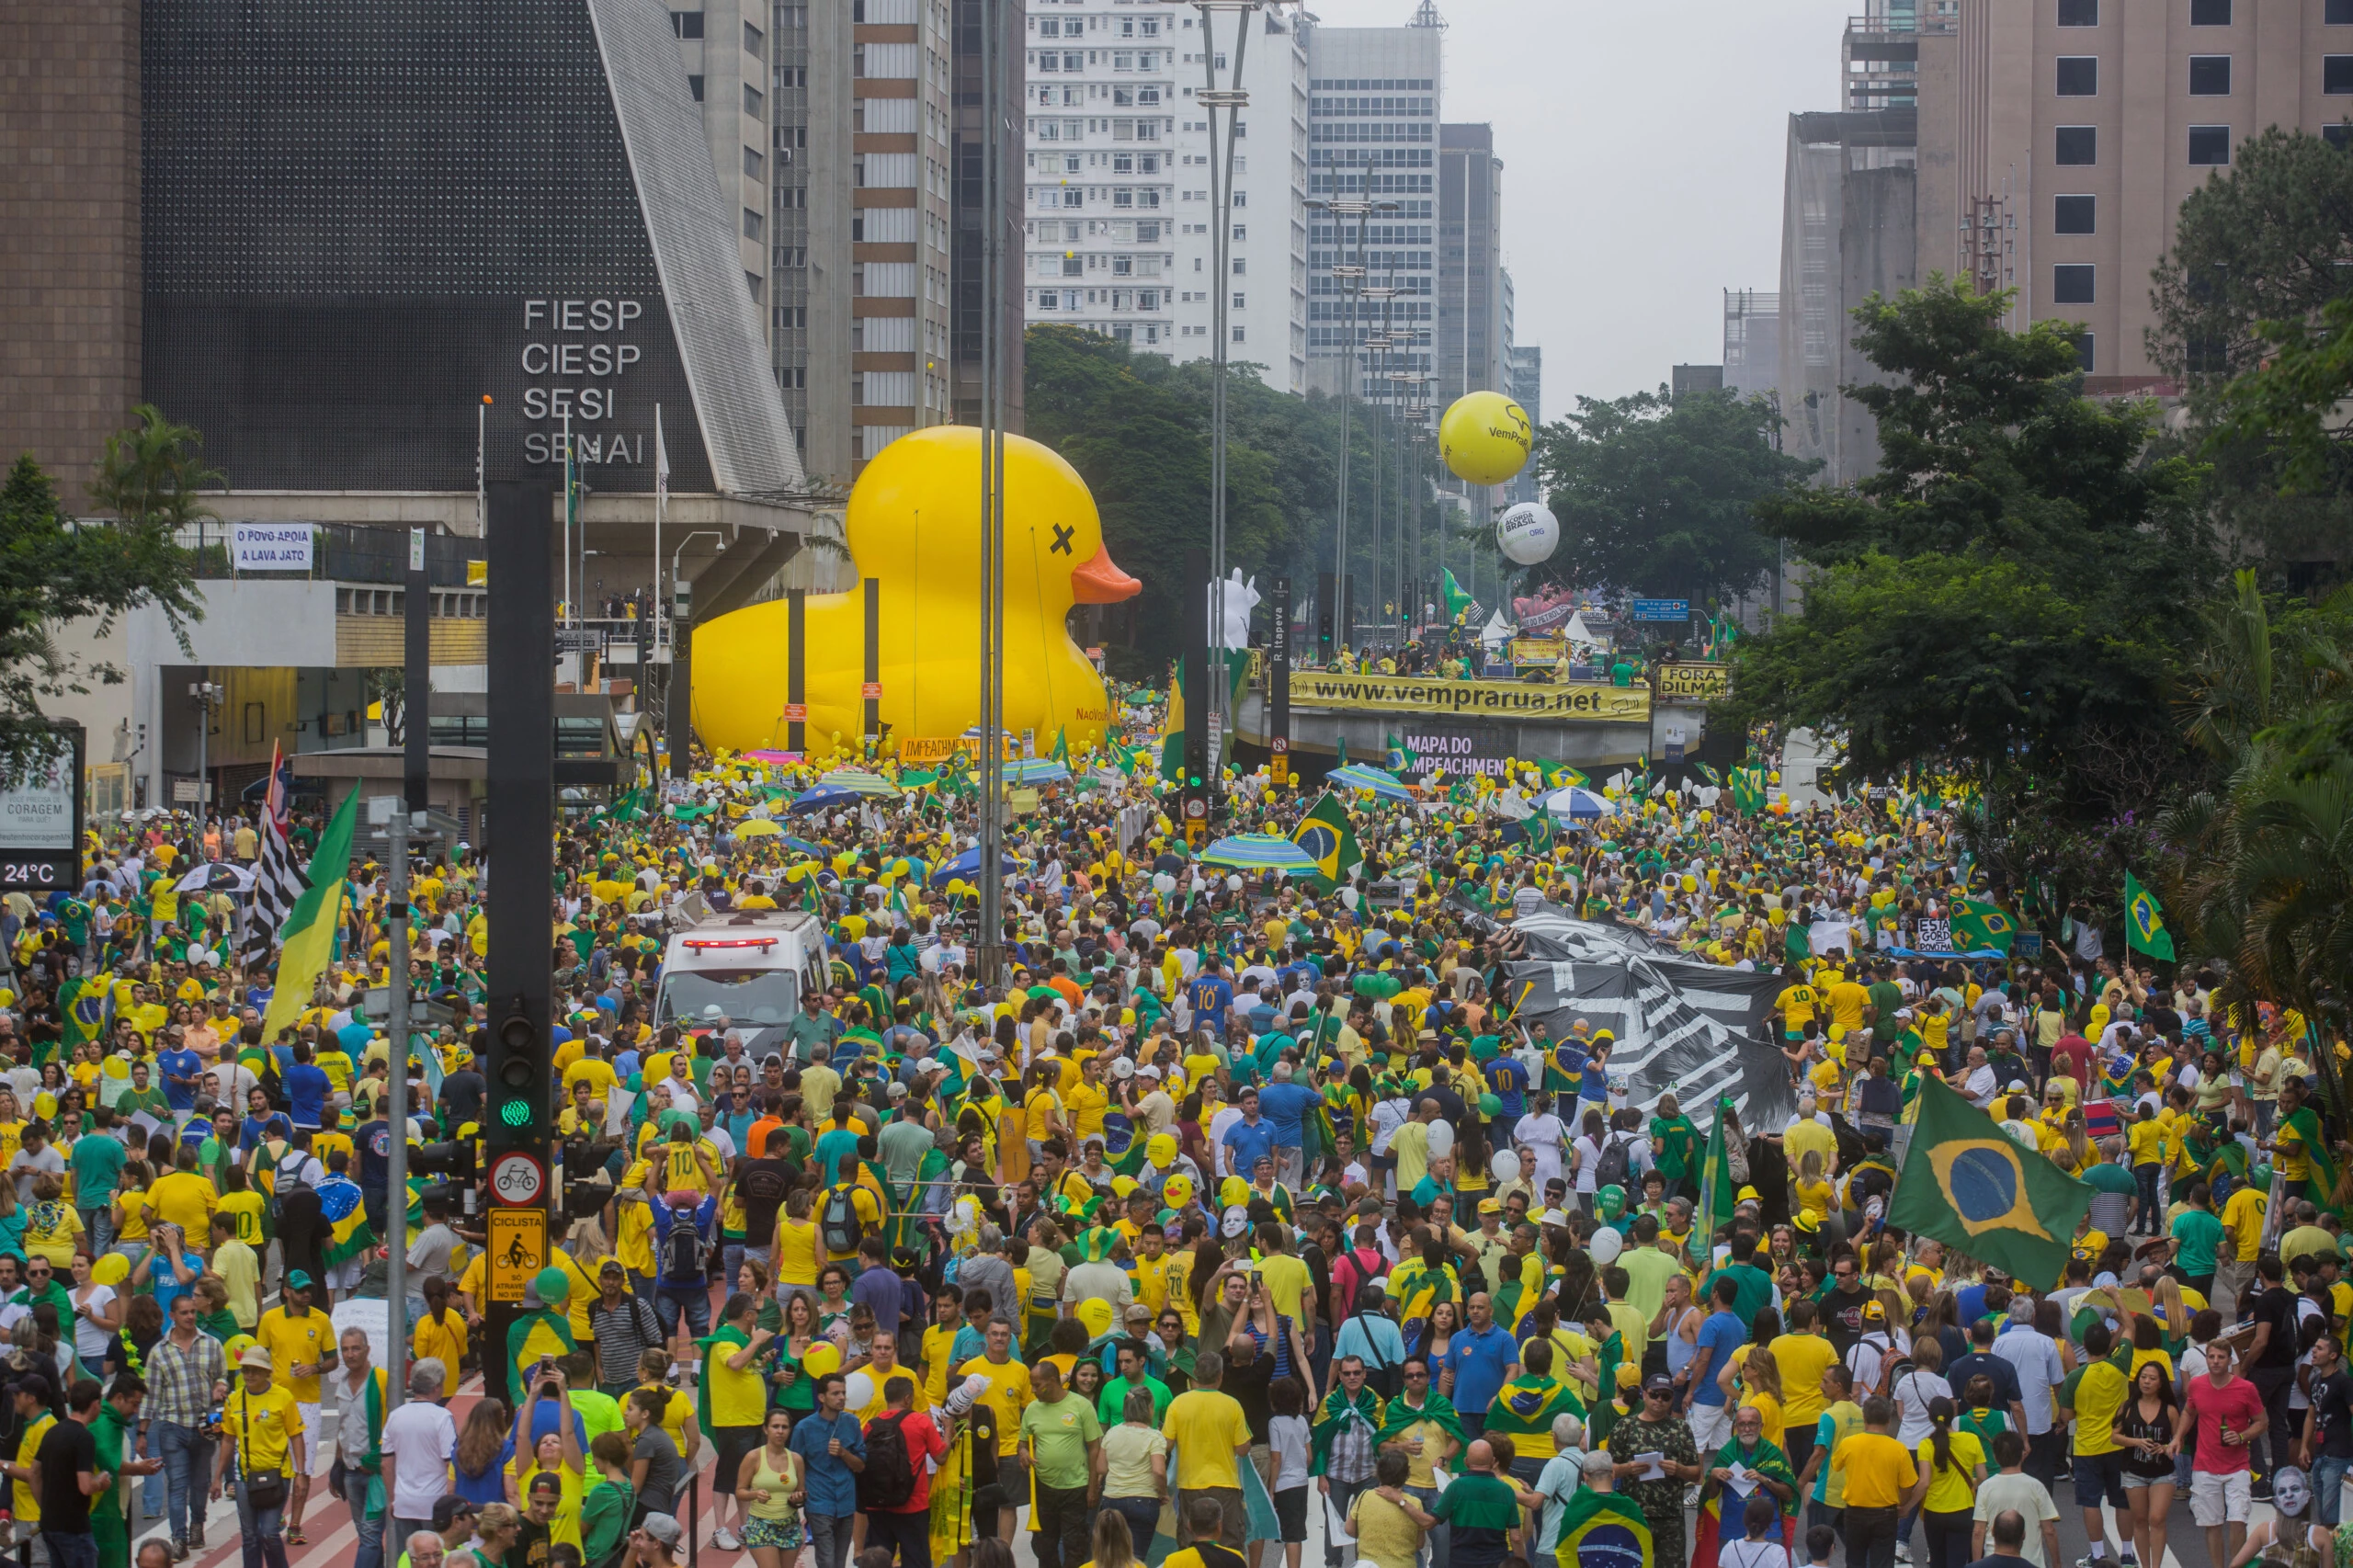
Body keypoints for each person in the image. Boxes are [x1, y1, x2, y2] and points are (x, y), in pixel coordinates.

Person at [211, 1344, 304, 1568]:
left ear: (266, 1372)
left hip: (278, 1474)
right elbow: (227, 1440)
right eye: (246, 1370)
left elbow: (296, 1436)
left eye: (255, 1370)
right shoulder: (234, 1401)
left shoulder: (283, 1397)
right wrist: (217, 1477)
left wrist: (300, 1473)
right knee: (250, 1536)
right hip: (246, 1476)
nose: (250, 1375)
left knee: (269, 1532)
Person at [2182, 1337, 2266, 1568]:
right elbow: (2189, 1413)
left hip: (2237, 1465)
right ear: (2206, 1359)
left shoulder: (2246, 1388)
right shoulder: (2197, 1385)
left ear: (2230, 1361)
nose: (2216, 1361)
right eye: (2212, 1357)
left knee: (2238, 1520)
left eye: (2221, 1357)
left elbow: (2261, 1422)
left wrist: (2241, 1436)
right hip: (2205, 1466)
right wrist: (2178, 1437)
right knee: (2212, 1524)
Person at [1162, 1348, 1253, 1547]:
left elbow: (1166, 1444)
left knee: (1192, 1544)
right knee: (1229, 1545)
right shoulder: (1232, 1405)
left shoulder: (1178, 1404)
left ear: (1195, 1374)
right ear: (1220, 1376)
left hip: (1190, 1485)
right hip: (1225, 1486)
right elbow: (1242, 1449)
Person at [381, 1358, 460, 1562]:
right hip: (434, 1503)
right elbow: (449, 1463)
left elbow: (386, 1463)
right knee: (436, 1559)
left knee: (409, 1560)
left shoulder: (395, 1416)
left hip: (404, 1502)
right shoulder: (442, 1417)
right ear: (436, 1387)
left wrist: (392, 1499)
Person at [787, 1370, 866, 1568]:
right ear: (822, 1397)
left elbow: (861, 1465)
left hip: (847, 1502)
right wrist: (801, 1493)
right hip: (819, 1502)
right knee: (827, 1561)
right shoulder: (804, 1428)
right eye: (835, 1393)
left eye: (843, 1393)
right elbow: (795, 1464)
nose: (841, 1398)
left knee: (839, 1562)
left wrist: (843, 1453)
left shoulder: (852, 1423)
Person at [1969, 1431, 2061, 1568]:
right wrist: (2057, 1564)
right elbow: (2049, 1531)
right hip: (2031, 1561)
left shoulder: (1985, 1488)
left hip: (1993, 1561)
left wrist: (1977, 1564)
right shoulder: (2036, 1486)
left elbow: (1978, 1531)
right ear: (2022, 1454)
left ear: (1995, 1457)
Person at [1102, 1385, 1171, 1561]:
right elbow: (1159, 1471)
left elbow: (1101, 1467)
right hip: (1144, 1500)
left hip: (1112, 1499)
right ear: (1149, 1409)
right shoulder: (1154, 1436)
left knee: (1114, 1557)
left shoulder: (1111, 1433)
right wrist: (1162, 1493)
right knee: (1136, 1558)